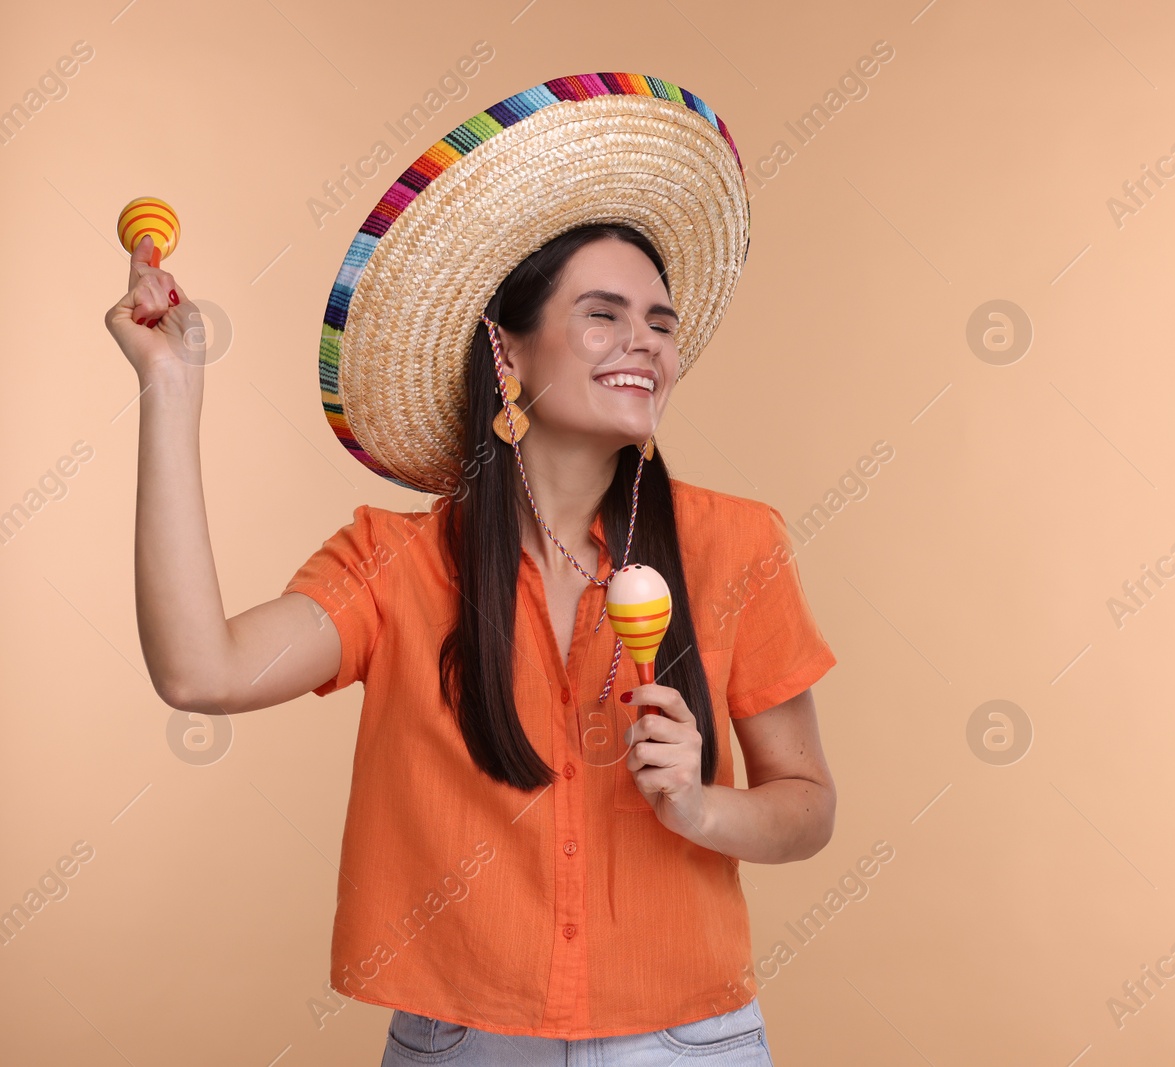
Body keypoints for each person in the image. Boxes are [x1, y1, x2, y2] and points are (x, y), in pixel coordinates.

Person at [103, 72, 837, 1065]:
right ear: (508, 348)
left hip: (690, 1038)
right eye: (603, 315)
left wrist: (706, 808)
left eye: (661, 322)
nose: (645, 345)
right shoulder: (394, 562)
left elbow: (805, 804)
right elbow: (201, 669)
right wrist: (171, 392)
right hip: (465, 1040)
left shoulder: (738, 542)